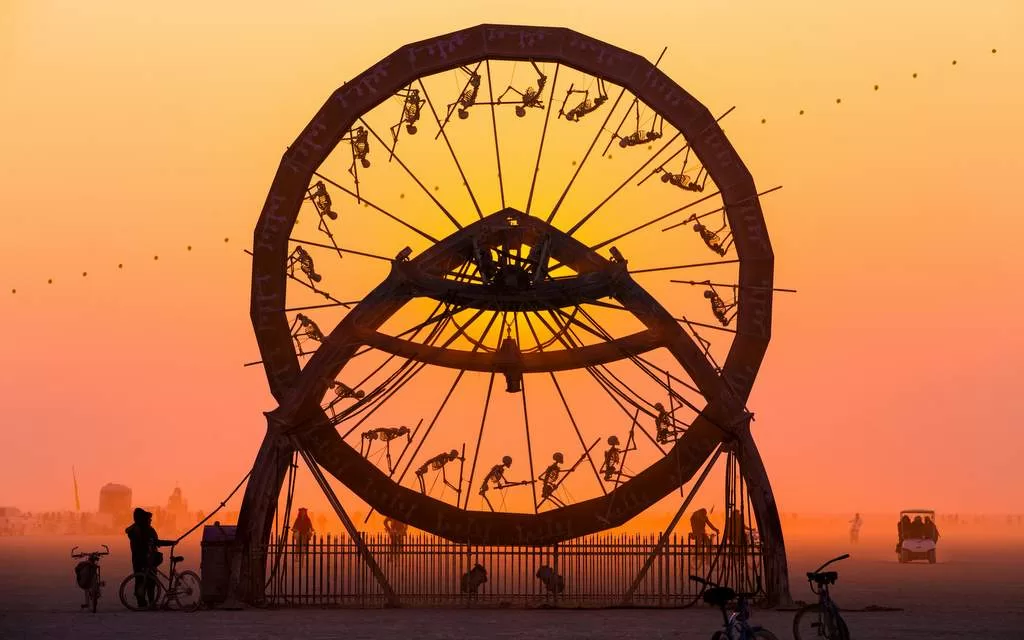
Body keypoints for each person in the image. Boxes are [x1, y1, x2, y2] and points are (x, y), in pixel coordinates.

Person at [125, 507, 174, 609]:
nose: (150, 520)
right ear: (142, 519)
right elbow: (154, 542)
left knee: (147, 581)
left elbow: (155, 542)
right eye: (148, 519)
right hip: (142, 560)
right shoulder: (139, 530)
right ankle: (144, 603)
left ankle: (148, 603)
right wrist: (170, 543)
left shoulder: (143, 529)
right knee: (144, 581)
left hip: (146, 559)